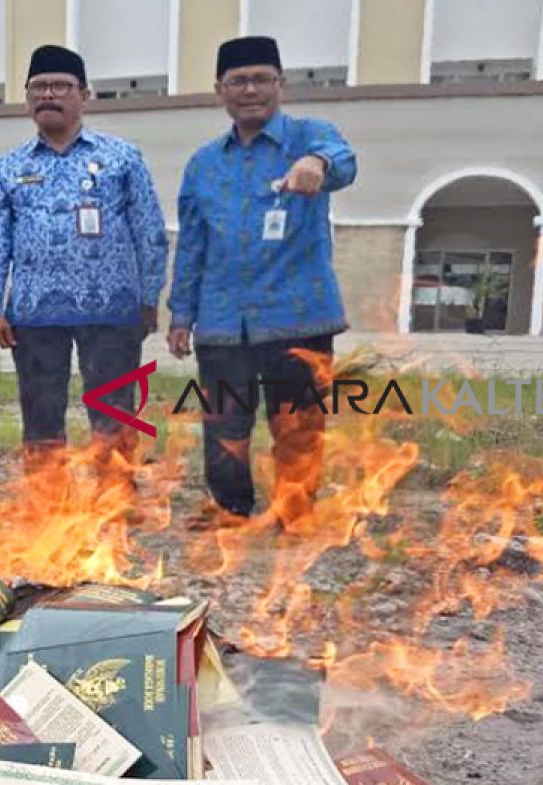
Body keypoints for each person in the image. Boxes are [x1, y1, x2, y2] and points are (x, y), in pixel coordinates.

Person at [166, 36, 357, 525]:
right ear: (220, 90)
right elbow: (192, 244)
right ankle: (230, 508)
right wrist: (181, 314)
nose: (249, 90)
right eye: (237, 81)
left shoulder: (309, 137)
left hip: (299, 317)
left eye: (260, 79)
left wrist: (318, 164)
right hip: (223, 321)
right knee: (223, 422)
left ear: (280, 84)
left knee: (298, 424)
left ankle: (295, 512)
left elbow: (342, 158)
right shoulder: (204, 164)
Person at [0, 45, 167, 468]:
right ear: (27, 98)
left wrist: (150, 297)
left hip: (112, 309)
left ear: (84, 95)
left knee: (114, 409)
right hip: (34, 312)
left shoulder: (122, 158)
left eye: (61, 86)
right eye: (39, 87)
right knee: (41, 414)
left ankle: (115, 494)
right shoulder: (7, 169)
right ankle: (47, 501)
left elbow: (149, 232)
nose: (49, 94)